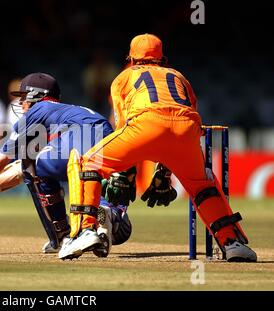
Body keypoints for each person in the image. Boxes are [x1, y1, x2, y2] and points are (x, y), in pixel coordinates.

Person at [60, 34, 257, 262]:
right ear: (162, 58)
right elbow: (181, 118)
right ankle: (232, 243)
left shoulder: (124, 77)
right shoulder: (179, 76)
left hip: (145, 125)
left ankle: (84, 231)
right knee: (202, 185)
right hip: (187, 131)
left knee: (87, 164)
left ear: (131, 58)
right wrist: (165, 172)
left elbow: (122, 125)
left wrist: (126, 173)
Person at [0, 72, 133, 256]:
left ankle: (62, 234)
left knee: (30, 164)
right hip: (112, 146)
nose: (21, 103)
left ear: (36, 95)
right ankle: (110, 214)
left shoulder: (38, 111)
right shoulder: (67, 113)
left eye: (24, 97)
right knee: (120, 231)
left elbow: (0, 161)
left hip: (79, 143)